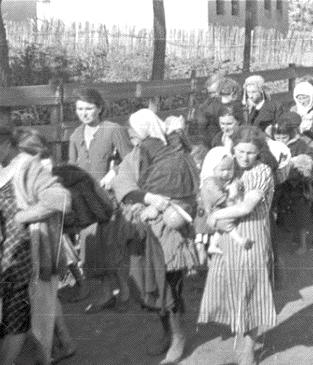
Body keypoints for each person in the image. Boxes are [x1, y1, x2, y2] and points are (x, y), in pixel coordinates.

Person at [0, 114, 71, 365]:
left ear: (7, 142)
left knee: (17, 312)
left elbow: (61, 198)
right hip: (7, 252)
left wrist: (24, 216)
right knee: (26, 309)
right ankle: (55, 349)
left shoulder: (27, 165)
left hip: (29, 249)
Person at [112, 108, 199, 364]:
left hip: (170, 228)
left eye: (136, 132)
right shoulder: (138, 153)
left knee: (170, 283)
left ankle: (178, 336)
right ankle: (166, 332)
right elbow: (124, 182)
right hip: (145, 225)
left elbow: (188, 189)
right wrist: (147, 198)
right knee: (151, 282)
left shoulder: (176, 153)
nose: (133, 137)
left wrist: (166, 204)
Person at [198, 125, 276, 365]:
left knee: (252, 289)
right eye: (241, 152)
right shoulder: (230, 168)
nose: (244, 157)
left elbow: (245, 208)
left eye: (250, 153)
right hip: (229, 236)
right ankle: (240, 337)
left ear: (259, 152)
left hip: (251, 234)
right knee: (232, 286)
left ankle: (248, 349)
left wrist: (214, 217)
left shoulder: (262, 172)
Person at [16, 129, 80, 364]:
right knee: (47, 295)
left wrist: (20, 215)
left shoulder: (37, 170)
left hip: (40, 238)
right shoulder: (41, 167)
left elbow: (53, 202)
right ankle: (63, 341)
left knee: (41, 297)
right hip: (47, 236)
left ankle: (46, 351)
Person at [68, 88, 133, 314]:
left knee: (113, 246)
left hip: (110, 199)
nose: (84, 113)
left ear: (100, 108)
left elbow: (132, 160)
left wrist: (113, 174)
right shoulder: (76, 135)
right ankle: (106, 294)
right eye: (79, 109)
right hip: (86, 204)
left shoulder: (113, 130)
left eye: (89, 108)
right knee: (93, 250)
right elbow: (72, 171)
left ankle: (124, 293)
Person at [271, 112, 313, 255]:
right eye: (277, 137)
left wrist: (300, 162)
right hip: (281, 186)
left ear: (291, 135)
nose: (280, 140)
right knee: (284, 213)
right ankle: (291, 238)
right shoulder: (273, 146)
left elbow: (311, 159)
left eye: (284, 137)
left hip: (298, 186)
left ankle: (303, 244)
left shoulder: (301, 144)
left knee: (300, 216)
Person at [198, 146, 252, 256]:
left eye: (229, 169)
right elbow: (218, 198)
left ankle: (213, 246)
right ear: (212, 168)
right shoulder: (209, 182)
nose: (226, 173)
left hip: (220, 211)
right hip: (213, 212)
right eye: (222, 170)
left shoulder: (223, 180)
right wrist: (229, 196)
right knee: (227, 225)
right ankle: (240, 240)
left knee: (222, 227)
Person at [195, 73, 226, 147]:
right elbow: (201, 125)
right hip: (212, 140)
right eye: (210, 93)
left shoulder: (232, 103)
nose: (213, 96)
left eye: (215, 92)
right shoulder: (206, 106)